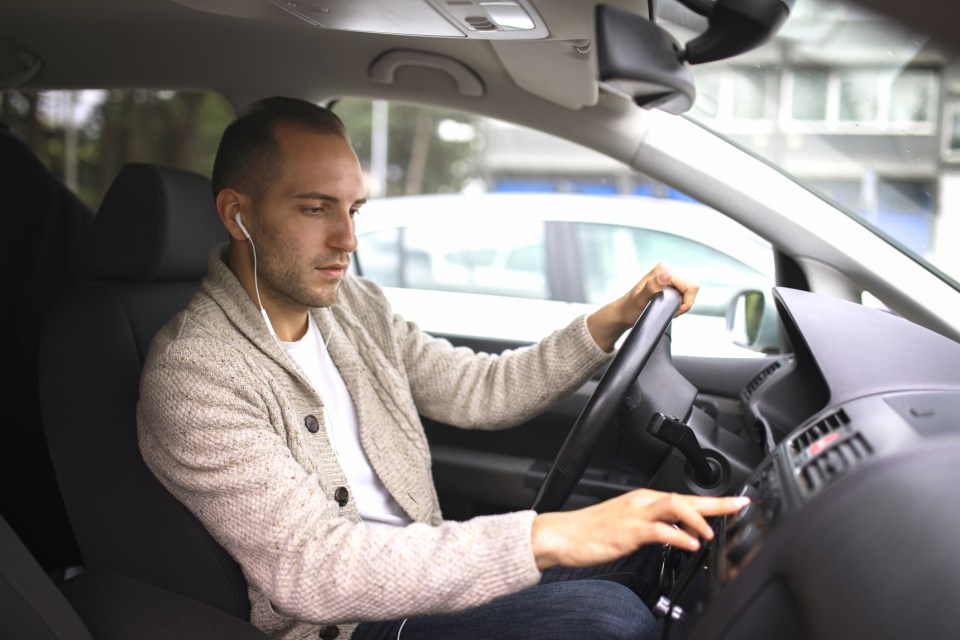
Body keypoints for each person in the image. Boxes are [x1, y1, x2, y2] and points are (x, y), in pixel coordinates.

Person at [136, 96, 749, 640]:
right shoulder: (195, 375)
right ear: (236, 213)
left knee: (654, 549)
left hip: (420, 573)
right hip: (348, 625)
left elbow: (478, 390)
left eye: (355, 209)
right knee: (610, 622)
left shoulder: (352, 306)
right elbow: (313, 571)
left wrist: (615, 317)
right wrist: (546, 536)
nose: (348, 239)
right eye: (316, 209)